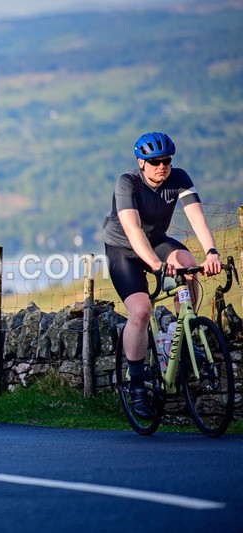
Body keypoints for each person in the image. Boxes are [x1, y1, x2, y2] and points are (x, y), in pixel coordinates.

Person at [103, 132, 222, 419]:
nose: (162, 167)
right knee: (141, 311)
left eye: (166, 160)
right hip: (123, 249)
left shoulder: (179, 178)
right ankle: (136, 385)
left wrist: (211, 252)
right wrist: (156, 264)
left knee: (188, 265)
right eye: (155, 162)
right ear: (141, 163)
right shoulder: (127, 183)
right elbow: (132, 230)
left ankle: (183, 334)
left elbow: (197, 218)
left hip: (157, 241)